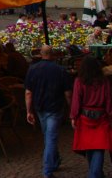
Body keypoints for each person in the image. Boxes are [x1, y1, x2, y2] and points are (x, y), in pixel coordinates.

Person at [25, 44, 73, 178]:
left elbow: (28, 93)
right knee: (50, 137)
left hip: (40, 107)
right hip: (54, 107)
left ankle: (54, 161)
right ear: (53, 55)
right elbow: (68, 93)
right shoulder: (60, 70)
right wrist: (71, 109)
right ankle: (48, 170)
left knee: (48, 135)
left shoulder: (33, 69)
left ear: (41, 54)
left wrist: (28, 111)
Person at [70, 55, 112, 178]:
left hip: (85, 118)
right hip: (101, 118)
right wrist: (110, 114)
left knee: (90, 147)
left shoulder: (79, 81)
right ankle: (96, 174)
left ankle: (94, 174)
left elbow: (76, 101)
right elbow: (109, 100)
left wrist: (74, 116)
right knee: (98, 147)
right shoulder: (104, 82)